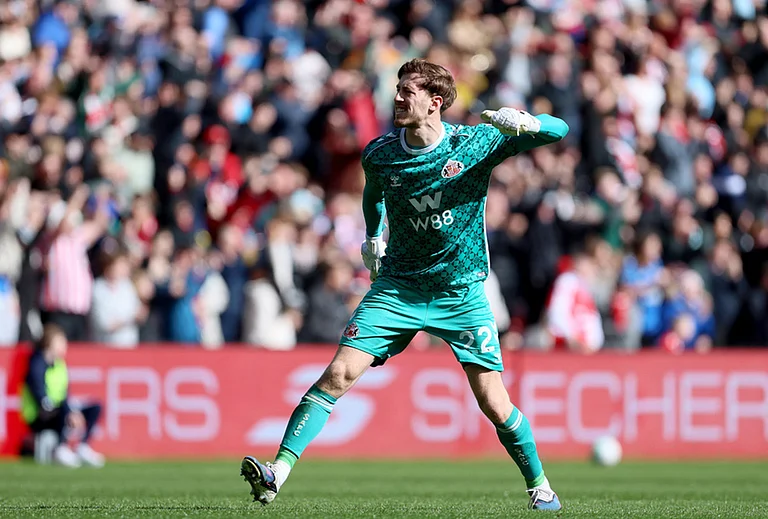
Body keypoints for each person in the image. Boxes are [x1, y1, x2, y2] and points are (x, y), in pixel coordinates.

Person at [240, 58, 568, 511]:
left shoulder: (476, 141)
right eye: (397, 89)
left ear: (435, 103)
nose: (397, 97)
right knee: (338, 374)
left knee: (493, 401)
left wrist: (530, 123)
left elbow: (561, 130)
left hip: (461, 292)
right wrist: (374, 234)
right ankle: (277, 472)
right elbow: (373, 194)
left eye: (407, 92)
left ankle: (540, 486)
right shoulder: (380, 154)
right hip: (398, 287)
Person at [20, 324, 105, 468]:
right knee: (63, 409)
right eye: (61, 341)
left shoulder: (60, 365)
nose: (65, 345)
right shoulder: (37, 363)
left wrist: (72, 410)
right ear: (50, 342)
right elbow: (40, 396)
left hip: (58, 409)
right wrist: (68, 411)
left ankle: (82, 447)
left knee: (95, 407)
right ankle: (60, 449)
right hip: (38, 415)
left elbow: (64, 395)